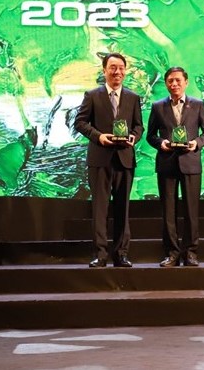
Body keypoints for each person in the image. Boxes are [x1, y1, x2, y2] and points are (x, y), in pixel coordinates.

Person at [74, 53, 143, 268]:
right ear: (104, 70)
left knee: (123, 209)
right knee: (100, 209)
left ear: (125, 71)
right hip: (100, 159)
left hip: (124, 159)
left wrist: (134, 137)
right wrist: (98, 137)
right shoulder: (92, 95)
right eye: (113, 67)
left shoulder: (133, 97)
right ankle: (100, 254)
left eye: (121, 68)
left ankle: (121, 254)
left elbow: (139, 126)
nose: (117, 72)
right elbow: (80, 122)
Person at [146, 67, 204, 267]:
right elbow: (150, 135)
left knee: (191, 211)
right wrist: (162, 143)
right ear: (166, 83)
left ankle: (191, 252)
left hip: (190, 162)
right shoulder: (158, 106)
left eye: (178, 80)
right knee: (168, 212)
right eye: (170, 81)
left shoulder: (198, 104)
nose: (174, 84)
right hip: (166, 163)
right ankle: (172, 253)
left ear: (186, 82)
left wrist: (196, 143)